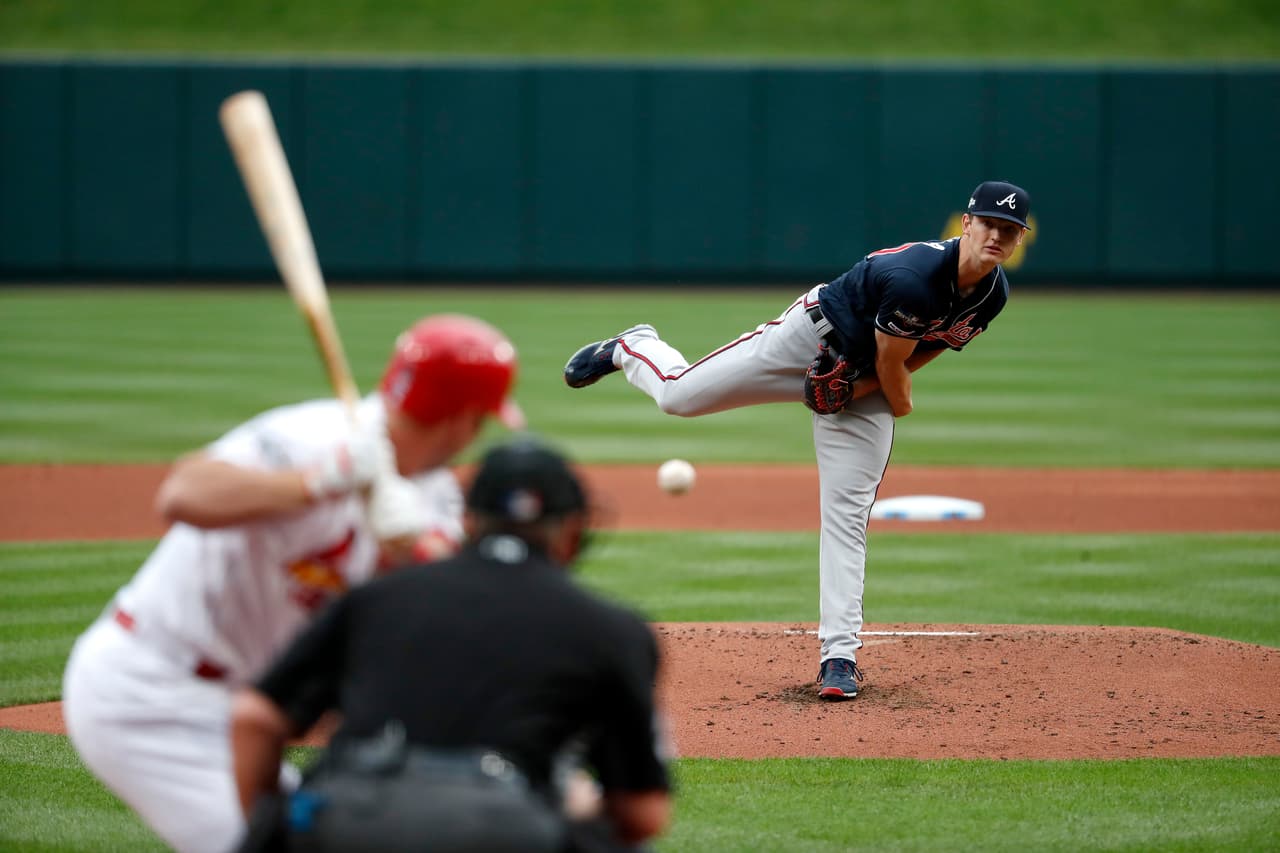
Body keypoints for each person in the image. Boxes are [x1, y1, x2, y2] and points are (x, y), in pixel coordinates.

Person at [62, 314, 525, 853]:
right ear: (466, 419)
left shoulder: (434, 495)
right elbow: (183, 493)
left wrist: (407, 548)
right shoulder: (312, 437)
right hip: (150, 693)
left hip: (245, 709)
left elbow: (426, 611)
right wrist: (319, 481)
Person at [564, 180, 1031, 701]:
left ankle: (840, 657)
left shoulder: (993, 294)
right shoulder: (915, 277)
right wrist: (898, 402)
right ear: (966, 224)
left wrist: (861, 390)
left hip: (865, 377)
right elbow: (894, 363)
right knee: (679, 397)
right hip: (807, 339)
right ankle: (634, 346)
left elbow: (929, 346)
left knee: (847, 515)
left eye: (1009, 230)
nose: (997, 235)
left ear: (1017, 242)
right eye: (990, 223)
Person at [229, 437, 672, 852]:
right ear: (574, 531)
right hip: (497, 831)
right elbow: (643, 815)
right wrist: (573, 803)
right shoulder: (612, 629)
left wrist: (272, 824)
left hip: (349, 820)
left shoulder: (375, 598)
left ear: (467, 520)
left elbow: (253, 720)